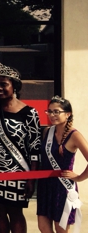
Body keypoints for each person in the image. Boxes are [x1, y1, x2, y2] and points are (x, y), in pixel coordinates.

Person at [0, 61, 41, 233]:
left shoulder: (29, 113)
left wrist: (32, 178)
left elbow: (35, 148)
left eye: (4, 85)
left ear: (14, 86)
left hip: (18, 173)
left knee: (15, 213)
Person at [37, 96, 88, 233]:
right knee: (43, 227)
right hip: (45, 185)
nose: (52, 115)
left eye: (56, 112)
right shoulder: (47, 131)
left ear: (68, 114)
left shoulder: (74, 135)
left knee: (61, 229)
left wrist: (79, 177)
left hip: (62, 187)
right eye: (49, 111)